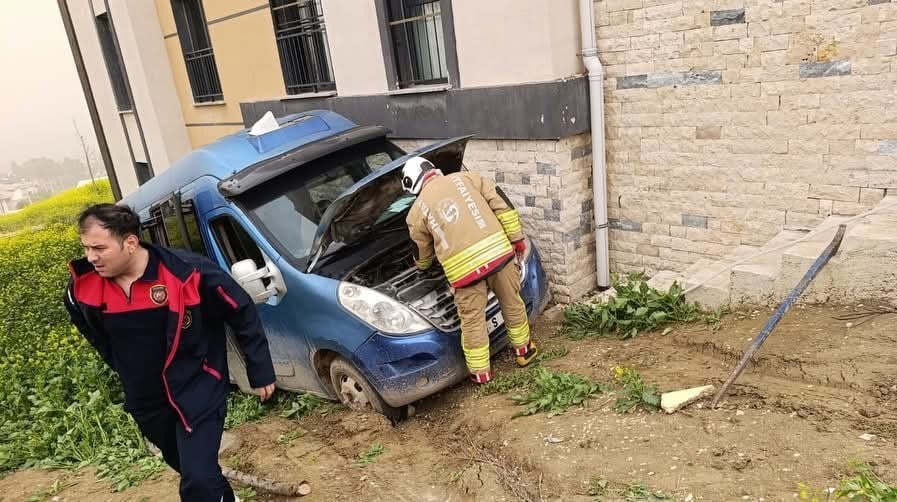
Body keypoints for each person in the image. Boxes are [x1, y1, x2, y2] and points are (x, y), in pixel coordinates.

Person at [63, 203, 276, 502]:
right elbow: (92, 331)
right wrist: (123, 367)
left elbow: (239, 309)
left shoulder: (188, 272)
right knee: (190, 469)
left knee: (198, 479)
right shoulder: (81, 289)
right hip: (147, 399)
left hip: (197, 386)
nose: (91, 257)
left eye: (99, 248)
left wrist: (260, 369)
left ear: (130, 242)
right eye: (86, 248)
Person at [402, 157, 538, 384]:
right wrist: (517, 240)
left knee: (473, 321)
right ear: (432, 169)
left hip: (464, 275)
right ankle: (524, 352)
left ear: (412, 183)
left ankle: (481, 374)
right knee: (512, 303)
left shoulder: (415, 213)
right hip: (499, 258)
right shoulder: (469, 178)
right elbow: (503, 207)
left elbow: (422, 256)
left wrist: (424, 266)